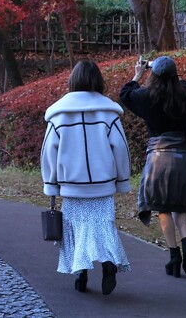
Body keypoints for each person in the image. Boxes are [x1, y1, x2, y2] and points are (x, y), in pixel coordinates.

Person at [41, 60, 132, 295]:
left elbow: (49, 152)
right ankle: (108, 262)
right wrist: (122, 180)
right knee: (104, 225)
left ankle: (80, 273)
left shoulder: (58, 115)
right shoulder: (109, 113)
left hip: (71, 186)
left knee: (75, 228)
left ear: (73, 80)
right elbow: (120, 148)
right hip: (103, 185)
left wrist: (51, 184)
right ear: (98, 80)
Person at [120, 55, 186, 277]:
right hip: (183, 157)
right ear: (175, 74)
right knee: (179, 205)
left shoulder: (146, 97)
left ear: (153, 75)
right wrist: (167, 73)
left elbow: (125, 94)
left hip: (158, 158)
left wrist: (139, 73)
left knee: (163, 208)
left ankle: (174, 255)